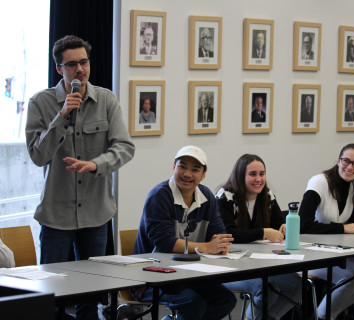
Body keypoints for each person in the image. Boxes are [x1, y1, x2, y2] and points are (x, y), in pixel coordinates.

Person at [25, 35, 135, 319]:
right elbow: (38, 156)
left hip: (96, 215)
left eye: (84, 62)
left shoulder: (107, 100)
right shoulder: (41, 102)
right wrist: (61, 116)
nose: (80, 70)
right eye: (72, 64)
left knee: (91, 294)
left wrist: (96, 164)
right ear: (60, 69)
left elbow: (124, 147)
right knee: (51, 295)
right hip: (56, 216)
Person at [133, 146, 237, 320]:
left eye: (195, 169)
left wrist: (219, 245)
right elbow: (165, 243)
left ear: (203, 175)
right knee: (193, 303)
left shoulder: (206, 197)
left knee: (225, 300)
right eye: (182, 167)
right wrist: (206, 247)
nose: (187, 174)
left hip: (189, 274)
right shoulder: (159, 196)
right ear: (173, 168)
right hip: (150, 276)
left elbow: (219, 234)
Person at [216, 154, 302, 320]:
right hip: (229, 266)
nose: (258, 179)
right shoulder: (225, 196)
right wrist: (262, 232)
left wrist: (284, 226)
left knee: (296, 285)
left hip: (259, 262)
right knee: (267, 287)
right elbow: (227, 233)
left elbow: (278, 222)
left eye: (262, 174)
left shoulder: (267, 194)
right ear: (240, 176)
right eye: (252, 174)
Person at [299, 143, 354, 320]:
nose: (350, 167)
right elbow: (303, 224)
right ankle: (322, 317)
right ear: (338, 160)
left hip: (334, 252)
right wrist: (342, 228)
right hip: (310, 252)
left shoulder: (353, 186)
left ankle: (326, 315)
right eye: (346, 161)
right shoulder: (319, 182)